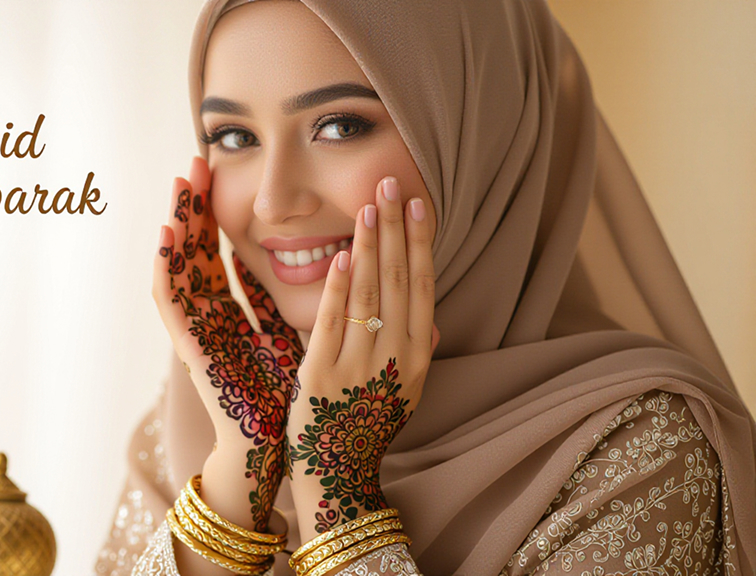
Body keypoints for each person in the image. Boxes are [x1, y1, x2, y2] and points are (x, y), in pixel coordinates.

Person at [96, 1, 756, 575]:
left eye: (339, 126)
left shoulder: (639, 448)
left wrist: (339, 494)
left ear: (483, 134)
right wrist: (242, 461)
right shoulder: (209, 411)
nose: (272, 200)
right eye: (234, 137)